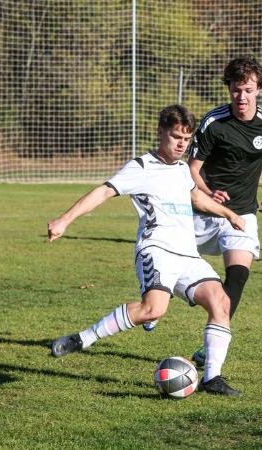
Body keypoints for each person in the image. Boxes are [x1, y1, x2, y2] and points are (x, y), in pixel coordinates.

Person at [48, 104, 246, 397]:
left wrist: (227, 213)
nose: (181, 144)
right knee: (153, 309)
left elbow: (195, 198)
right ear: (160, 133)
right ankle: (82, 339)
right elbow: (103, 191)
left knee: (221, 303)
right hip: (156, 250)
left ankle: (212, 378)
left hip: (188, 255)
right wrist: (65, 219)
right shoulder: (140, 167)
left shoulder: (181, 169)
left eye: (186, 139)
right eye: (176, 136)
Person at [171, 56, 262, 366]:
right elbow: (192, 169)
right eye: (236, 90)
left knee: (236, 278)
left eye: (248, 90)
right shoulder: (214, 122)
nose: (241, 97)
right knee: (168, 263)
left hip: (243, 216)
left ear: (259, 89)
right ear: (229, 90)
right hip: (206, 213)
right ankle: (155, 302)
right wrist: (209, 192)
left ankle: (209, 346)